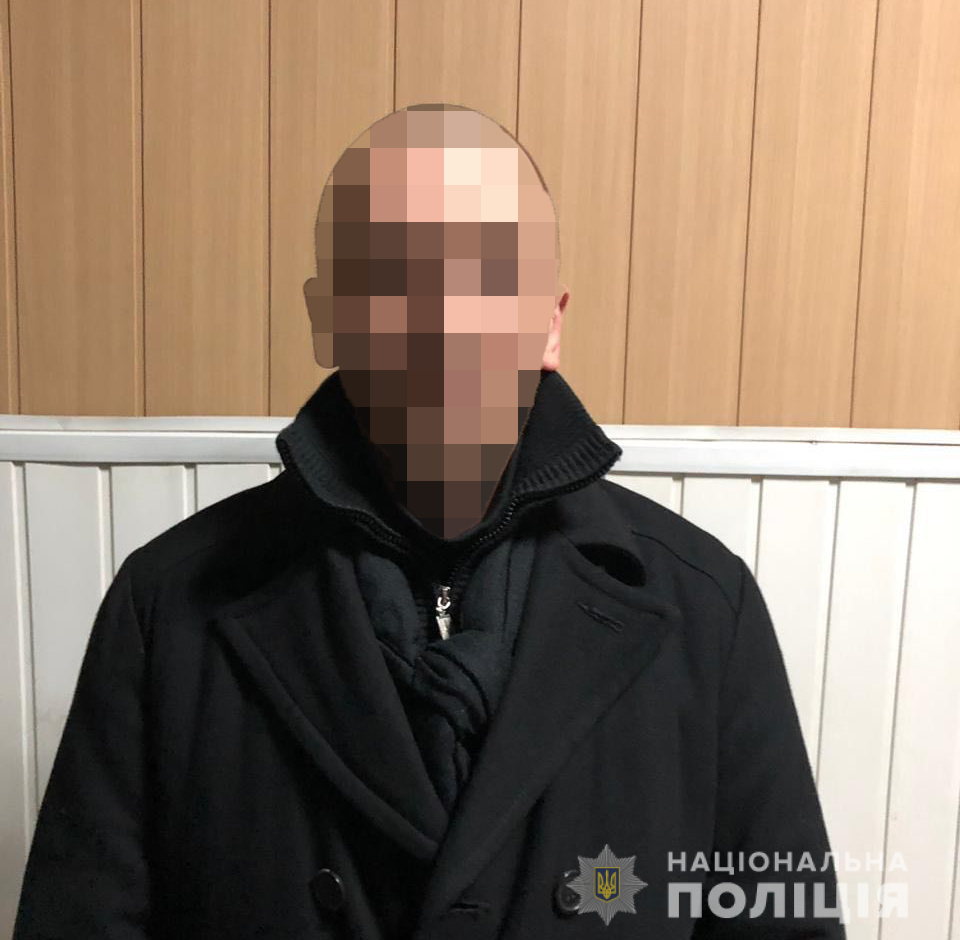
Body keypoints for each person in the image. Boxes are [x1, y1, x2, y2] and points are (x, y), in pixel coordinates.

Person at [12, 103, 845, 939]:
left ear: (549, 323)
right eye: (391, 273)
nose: (444, 319)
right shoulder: (167, 607)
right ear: (325, 318)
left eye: (490, 272)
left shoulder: (705, 608)